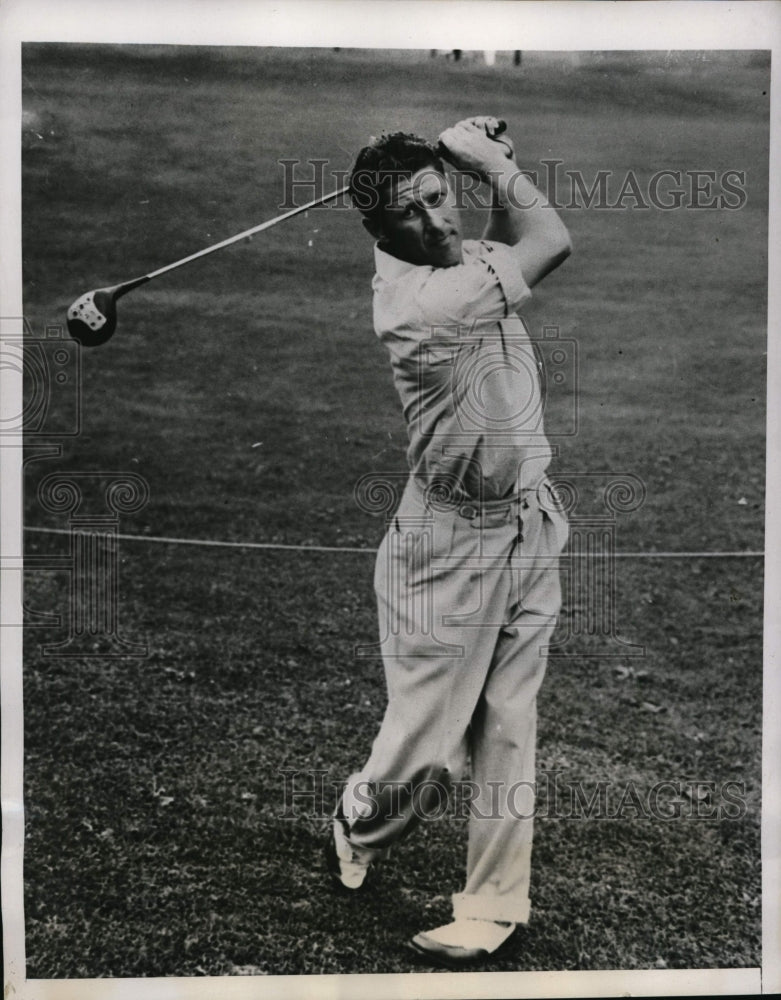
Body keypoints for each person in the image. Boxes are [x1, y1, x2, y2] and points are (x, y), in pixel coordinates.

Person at [326, 116, 572, 967]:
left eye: (440, 199)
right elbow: (548, 237)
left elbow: (503, 236)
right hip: (445, 544)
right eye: (410, 213)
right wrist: (486, 160)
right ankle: (358, 816)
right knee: (425, 755)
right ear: (377, 231)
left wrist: (483, 165)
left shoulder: (457, 265)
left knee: (509, 721)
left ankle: (491, 906)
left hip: (527, 519)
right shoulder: (420, 305)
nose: (436, 222)